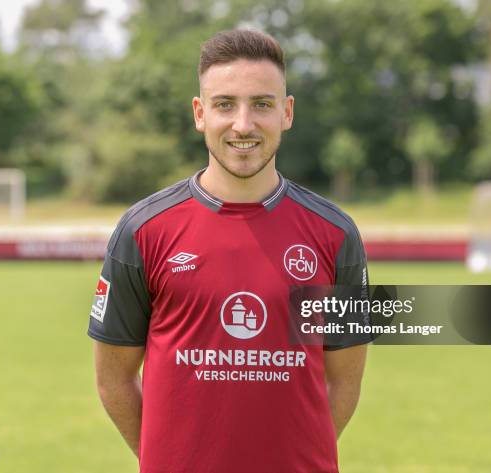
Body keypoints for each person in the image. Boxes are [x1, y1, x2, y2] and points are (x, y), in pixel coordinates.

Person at [88, 29, 369, 473]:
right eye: (225, 105)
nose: (243, 124)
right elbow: (114, 378)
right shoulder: (143, 231)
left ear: (287, 112)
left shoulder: (335, 235)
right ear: (200, 114)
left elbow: (345, 381)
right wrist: (169, 458)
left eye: (261, 104)